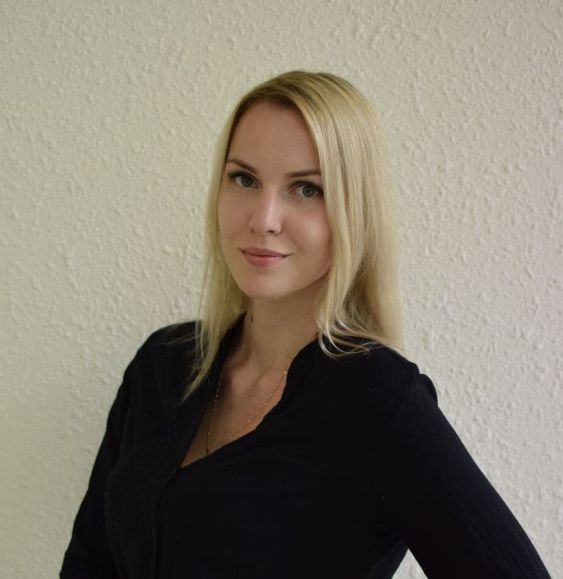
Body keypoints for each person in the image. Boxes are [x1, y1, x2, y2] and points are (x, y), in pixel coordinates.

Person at [60, 71, 550, 579]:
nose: (264, 218)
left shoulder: (376, 399)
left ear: (353, 211)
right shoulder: (163, 362)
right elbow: (90, 562)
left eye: (306, 189)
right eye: (244, 179)